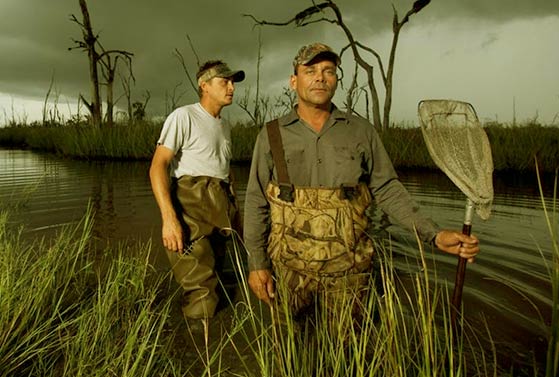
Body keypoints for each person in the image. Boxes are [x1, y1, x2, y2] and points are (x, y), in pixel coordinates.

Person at [243, 43, 480, 327]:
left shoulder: (360, 131)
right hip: (288, 273)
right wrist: (257, 264)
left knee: (352, 353)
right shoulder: (270, 135)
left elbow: (388, 190)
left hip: (350, 275)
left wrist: (434, 234)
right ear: (294, 81)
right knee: (289, 350)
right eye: (311, 71)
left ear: (336, 80)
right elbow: (255, 202)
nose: (320, 77)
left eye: (328, 71)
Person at [149, 60, 245, 320]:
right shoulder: (184, 116)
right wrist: (169, 219)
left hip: (221, 210)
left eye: (233, 82)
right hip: (190, 211)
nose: (231, 87)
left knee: (225, 281)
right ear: (204, 86)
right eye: (224, 81)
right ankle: (193, 348)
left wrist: (237, 215)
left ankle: (217, 342)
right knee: (202, 298)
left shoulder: (225, 126)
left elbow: (224, 171)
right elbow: (158, 166)